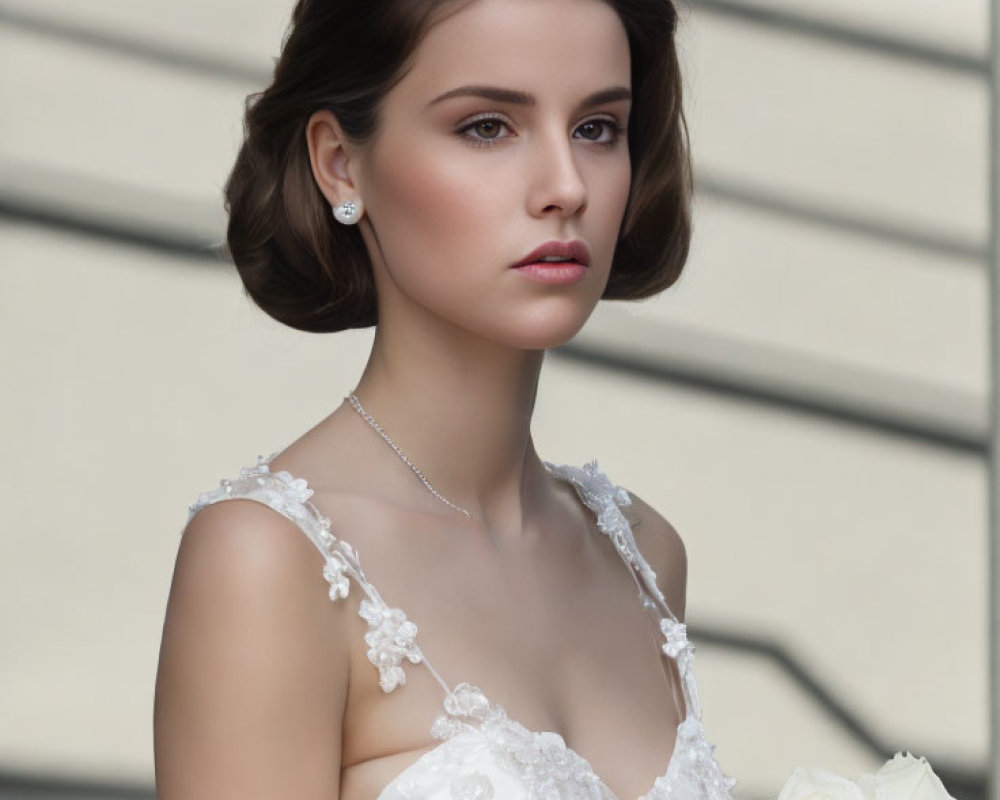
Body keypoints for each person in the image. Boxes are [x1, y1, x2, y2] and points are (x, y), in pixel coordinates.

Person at [153, 0, 738, 798]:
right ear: (339, 164)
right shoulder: (268, 559)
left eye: (597, 128)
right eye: (488, 126)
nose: (565, 187)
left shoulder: (643, 555)